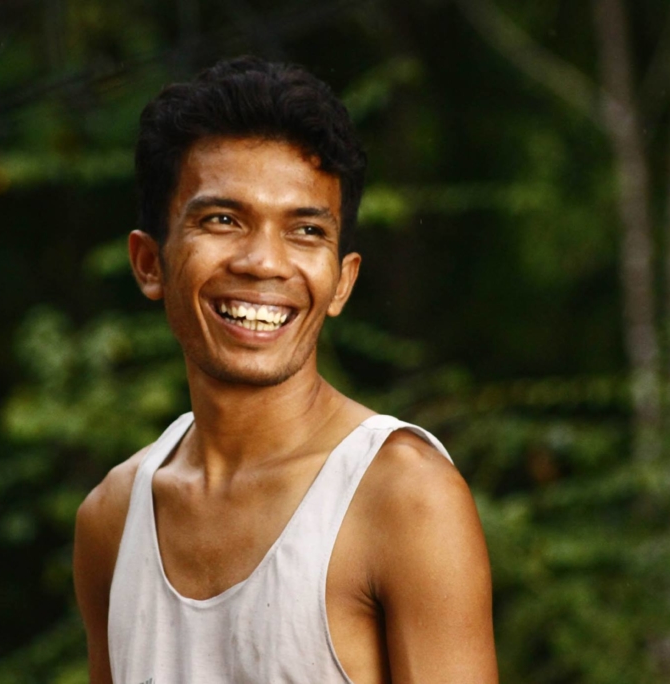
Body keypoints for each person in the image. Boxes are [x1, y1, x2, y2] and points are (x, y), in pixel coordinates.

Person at [73, 56, 498, 684]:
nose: (264, 262)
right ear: (149, 263)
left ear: (342, 281)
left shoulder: (402, 497)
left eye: (304, 230)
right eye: (223, 220)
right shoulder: (112, 519)